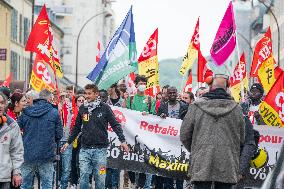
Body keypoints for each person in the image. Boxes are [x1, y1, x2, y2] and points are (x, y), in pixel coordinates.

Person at [180, 74, 245, 189]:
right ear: (227, 88)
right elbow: (242, 138)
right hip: (227, 162)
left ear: (209, 86)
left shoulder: (196, 106)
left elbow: (184, 135)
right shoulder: (237, 109)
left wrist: (197, 149)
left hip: (201, 161)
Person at [61, 84, 129, 189]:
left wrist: (123, 141)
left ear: (96, 94)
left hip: (100, 151)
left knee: (100, 177)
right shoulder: (83, 108)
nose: (86, 96)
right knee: (83, 176)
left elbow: (115, 125)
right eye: (85, 93)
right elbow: (76, 127)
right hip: (85, 150)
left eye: (89, 93)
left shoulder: (105, 108)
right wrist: (68, 142)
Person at [18, 89, 63, 189]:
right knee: (47, 185)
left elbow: (17, 130)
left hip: (28, 154)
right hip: (46, 155)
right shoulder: (54, 112)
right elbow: (59, 135)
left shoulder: (25, 112)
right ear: (49, 99)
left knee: (25, 185)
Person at [124, 75, 156, 189]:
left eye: (144, 83)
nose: (142, 85)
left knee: (144, 163)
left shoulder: (151, 100)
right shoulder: (130, 99)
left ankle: (144, 186)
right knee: (133, 162)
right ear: (136, 85)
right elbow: (126, 115)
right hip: (132, 135)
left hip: (146, 136)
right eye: (140, 83)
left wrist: (149, 115)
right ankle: (135, 184)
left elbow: (153, 117)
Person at [157, 86, 188, 189]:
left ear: (177, 93)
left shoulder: (184, 106)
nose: (172, 95)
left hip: (180, 143)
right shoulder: (162, 106)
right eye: (170, 93)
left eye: (174, 93)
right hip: (167, 143)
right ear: (167, 94)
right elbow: (156, 122)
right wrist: (160, 117)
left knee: (179, 168)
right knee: (168, 169)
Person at [0, 92, 24, 189]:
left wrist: (16, 172)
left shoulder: (12, 125)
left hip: (4, 177)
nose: (0, 106)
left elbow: (17, 151)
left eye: (2, 103)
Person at [99, 89, 121, 189]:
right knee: (102, 168)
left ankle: (114, 186)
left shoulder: (116, 108)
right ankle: (105, 185)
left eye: (103, 97)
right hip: (101, 145)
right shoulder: (94, 109)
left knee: (115, 167)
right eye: (100, 97)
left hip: (115, 144)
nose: (101, 99)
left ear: (107, 97)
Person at [60, 86, 76, 189]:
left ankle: (64, 186)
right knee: (55, 167)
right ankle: (55, 184)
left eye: (66, 95)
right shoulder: (55, 106)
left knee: (66, 167)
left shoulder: (72, 107)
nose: (63, 97)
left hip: (67, 140)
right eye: (61, 96)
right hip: (56, 141)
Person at [70, 95, 86, 188]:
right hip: (74, 140)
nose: (81, 102)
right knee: (74, 161)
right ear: (76, 103)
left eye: (83, 100)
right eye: (79, 100)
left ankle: (84, 180)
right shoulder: (72, 112)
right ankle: (73, 181)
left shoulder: (88, 111)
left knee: (81, 161)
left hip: (85, 140)